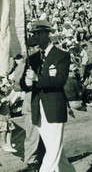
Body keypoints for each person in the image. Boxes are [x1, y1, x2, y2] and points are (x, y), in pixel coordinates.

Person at [20, 20, 76, 172]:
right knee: (55, 148)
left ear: (46, 34)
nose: (35, 37)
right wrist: (26, 82)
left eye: (37, 34)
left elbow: (60, 80)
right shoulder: (32, 59)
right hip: (37, 109)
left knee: (52, 152)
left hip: (54, 108)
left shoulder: (62, 55)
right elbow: (23, 85)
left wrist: (38, 79)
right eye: (33, 34)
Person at [0, 78, 17, 153]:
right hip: (2, 118)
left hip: (6, 117)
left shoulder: (4, 95)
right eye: (5, 87)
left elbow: (9, 98)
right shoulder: (1, 96)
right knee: (4, 126)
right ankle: (3, 143)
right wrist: (14, 89)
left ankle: (9, 144)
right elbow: (9, 98)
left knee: (10, 127)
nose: (7, 88)